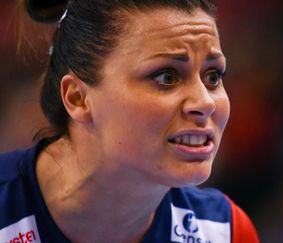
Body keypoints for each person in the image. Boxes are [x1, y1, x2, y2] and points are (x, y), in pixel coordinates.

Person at [0, 0, 260, 242]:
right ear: (78, 98)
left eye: (213, 77)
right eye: (167, 77)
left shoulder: (225, 230)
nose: (206, 103)